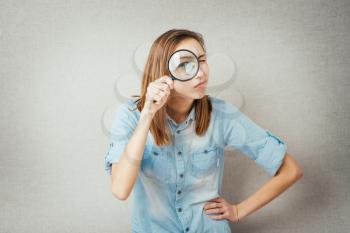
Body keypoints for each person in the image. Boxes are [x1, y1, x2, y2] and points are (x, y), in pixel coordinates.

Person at [104, 28, 303, 233]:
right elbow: (120, 190)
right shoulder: (130, 114)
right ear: (163, 74)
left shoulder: (221, 114)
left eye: (202, 60)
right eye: (184, 65)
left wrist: (237, 211)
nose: (201, 73)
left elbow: (291, 170)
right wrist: (147, 115)